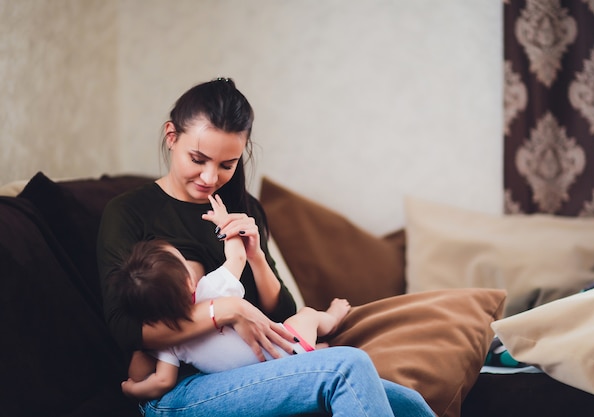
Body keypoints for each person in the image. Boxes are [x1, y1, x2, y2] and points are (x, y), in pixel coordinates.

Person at [97, 77, 436, 416]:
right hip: (181, 387)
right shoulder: (129, 213)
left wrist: (256, 256)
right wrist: (228, 310)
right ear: (172, 137)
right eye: (198, 159)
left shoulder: (244, 208)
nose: (210, 177)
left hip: (250, 370)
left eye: (226, 164)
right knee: (346, 367)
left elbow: (280, 314)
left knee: (410, 403)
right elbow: (125, 330)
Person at [110, 193, 351, 399]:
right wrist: (225, 224)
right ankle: (331, 319)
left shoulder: (169, 342)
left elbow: (162, 381)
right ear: (188, 282)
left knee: (297, 341)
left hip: (265, 378)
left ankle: (316, 351)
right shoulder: (211, 291)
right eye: (183, 261)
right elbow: (237, 257)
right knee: (307, 314)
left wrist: (132, 388)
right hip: (288, 349)